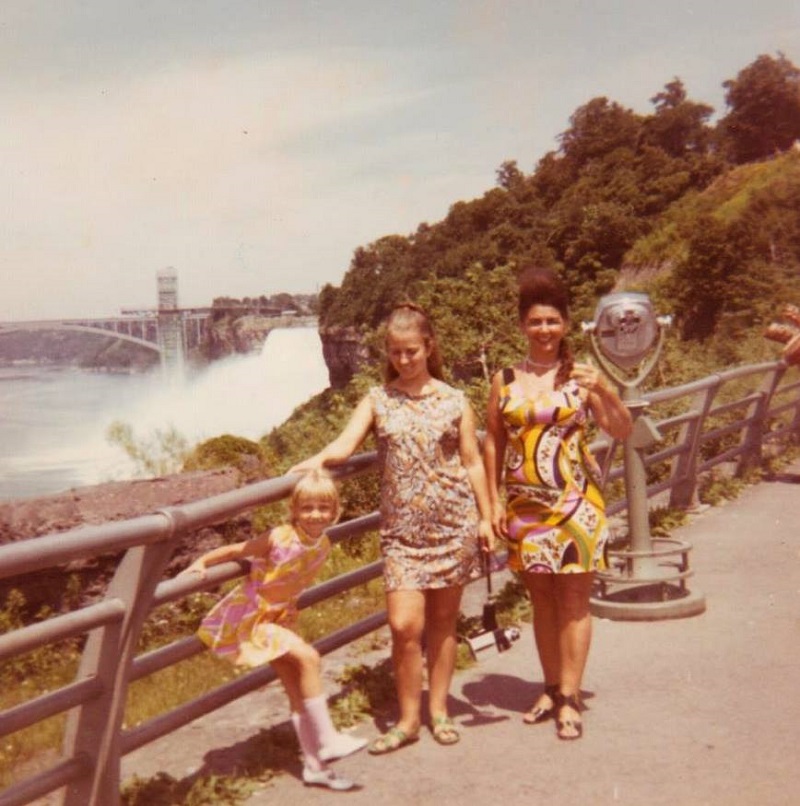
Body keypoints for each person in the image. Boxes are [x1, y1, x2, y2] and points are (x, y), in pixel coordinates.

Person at [290, 302, 494, 754]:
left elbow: (473, 462)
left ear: (429, 347)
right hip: (402, 533)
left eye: (412, 351)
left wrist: (485, 517)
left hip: (452, 525)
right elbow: (344, 444)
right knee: (404, 627)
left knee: (443, 624)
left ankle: (438, 712)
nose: (404, 360)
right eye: (397, 353)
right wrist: (316, 461)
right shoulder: (378, 399)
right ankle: (406, 720)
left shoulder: (454, 400)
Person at [483, 266, 632, 740]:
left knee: (573, 601)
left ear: (565, 324)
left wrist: (604, 388)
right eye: (535, 322)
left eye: (552, 321)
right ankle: (550, 687)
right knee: (541, 601)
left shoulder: (581, 376)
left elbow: (622, 429)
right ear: (523, 326)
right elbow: (492, 444)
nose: (544, 330)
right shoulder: (504, 379)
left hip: (577, 504)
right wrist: (490, 508)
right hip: (525, 508)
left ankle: (570, 696)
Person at [182, 469, 366, 791]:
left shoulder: (322, 544)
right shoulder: (280, 537)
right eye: (307, 508)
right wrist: (202, 562)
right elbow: (237, 551)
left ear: (335, 511)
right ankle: (327, 739)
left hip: (280, 618)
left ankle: (315, 767)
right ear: (294, 510)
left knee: (297, 689)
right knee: (309, 658)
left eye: (323, 508)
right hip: (254, 618)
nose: (315, 515)